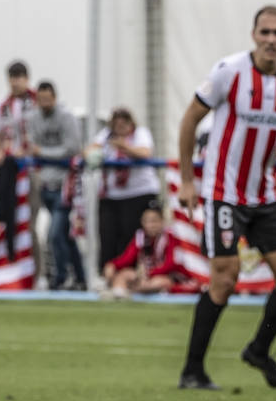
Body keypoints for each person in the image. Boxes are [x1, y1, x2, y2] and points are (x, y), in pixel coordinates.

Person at [176, 5, 276, 390]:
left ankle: (258, 349)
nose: (271, 40)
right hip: (224, 193)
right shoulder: (229, 72)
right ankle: (193, 370)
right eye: (265, 32)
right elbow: (190, 119)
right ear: (253, 34)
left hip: (266, 195)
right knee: (225, 278)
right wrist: (187, 180)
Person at [25, 80, 85, 290]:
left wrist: (43, 153)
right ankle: (81, 277)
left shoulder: (67, 117)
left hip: (65, 184)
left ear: (55, 98)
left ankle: (60, 278)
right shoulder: (32, 118)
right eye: (40, 99)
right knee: (66, 235)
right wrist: (40, 153)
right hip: (44, 183)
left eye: (47, 99)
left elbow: (73, 148)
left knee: (55, 234)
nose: (44, 103)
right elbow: (31, 146)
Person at [89, 107, 159, 270]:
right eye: (116, 124)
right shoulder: (106, 135)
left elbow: (145, 152)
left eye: (123, 123)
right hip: (111, 195)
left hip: (137, 194)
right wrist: (93, 155)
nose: (119, 127)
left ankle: (127, 274)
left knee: (129, 237)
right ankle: (107, 273)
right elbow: (91, 148)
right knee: (107, 236)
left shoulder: (140, 134)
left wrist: (124, 147)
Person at [0, 61, 37, 263]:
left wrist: (27, 150)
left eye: (19, 77)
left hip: (32, 169)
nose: (15, 82)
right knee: (6, 215)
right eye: (12, 78)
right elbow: (0, 134)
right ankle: (10, 262)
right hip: (11, 168)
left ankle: (35, 272)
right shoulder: (4, 106)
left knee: (30, 223)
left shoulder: (37, 102)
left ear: (27, 79)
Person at [103, 202, 188, 298]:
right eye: (146, 221)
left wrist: (150, 274)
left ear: (162, 221)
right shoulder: (140, 236)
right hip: (146, 277)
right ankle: (118, 294)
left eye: (154, 221)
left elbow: (171, 264)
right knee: (124, 274)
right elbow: (127, 258)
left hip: (165, 277)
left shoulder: (170, 236)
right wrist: (112, 265)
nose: (150, 225)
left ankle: (129, 291)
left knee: (161, 282)